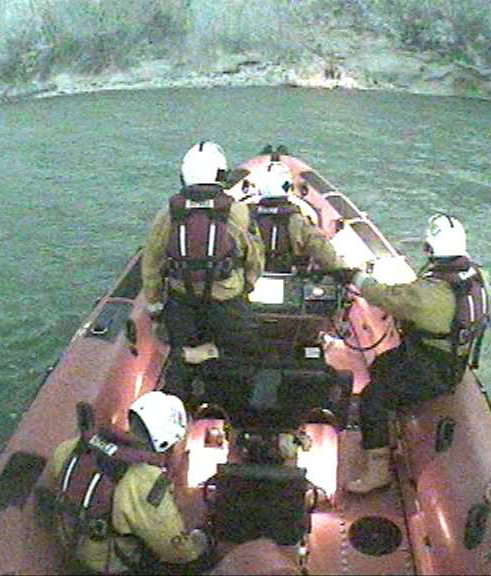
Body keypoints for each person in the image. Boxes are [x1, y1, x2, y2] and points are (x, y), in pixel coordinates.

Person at [346, 213, 491, 493]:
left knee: (372, 397)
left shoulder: (430, 295)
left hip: (430, 370)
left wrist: (358, 279)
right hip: (450, 362)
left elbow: (389, 298)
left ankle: (378, 471)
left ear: (431, 249)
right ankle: (387, 429)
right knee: (381, 366)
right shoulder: (479, 277)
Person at [141, 141, 266, 398]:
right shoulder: (238, 211)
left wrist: (155, 308)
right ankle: (232, 400)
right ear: (220, 174)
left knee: (180, 366)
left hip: (182, 305)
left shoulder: (167, 215)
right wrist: (247, 286)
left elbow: (152, 265)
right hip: (227, 304)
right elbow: (255, 258)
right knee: (246, 353)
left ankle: (181, 400)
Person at [50, 391, 212, 574]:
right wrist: (201, 541)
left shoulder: (71, 448)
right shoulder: (144, 484)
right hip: (109, 567)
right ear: (166, 442)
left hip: (73, 543)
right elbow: (179, 552)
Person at [251, 161, 343, 273]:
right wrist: (347, 271)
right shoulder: (297, 221)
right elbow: (327, 257)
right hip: (289, 281)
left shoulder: (247, 219)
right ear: (287, 187)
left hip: (256, 280)